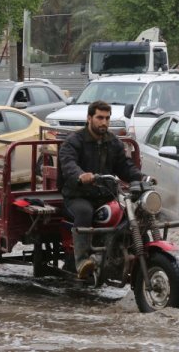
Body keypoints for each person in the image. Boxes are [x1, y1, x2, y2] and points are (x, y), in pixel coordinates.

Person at [58, 100, 144, 279]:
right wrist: (81, 176)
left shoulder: (112, 142)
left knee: (130, 210)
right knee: (84, 212)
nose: (104, 122)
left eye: (107, 118)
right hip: (78, 195)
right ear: (89, 118)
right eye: (99, 117)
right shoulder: (74, 141)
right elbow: (68, 164)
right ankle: (82, 261)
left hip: (105, 194)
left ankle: (124, 250)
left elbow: (124, 165)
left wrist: (139, 178)